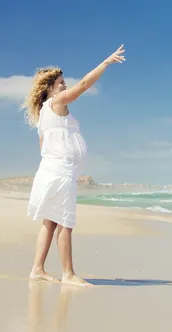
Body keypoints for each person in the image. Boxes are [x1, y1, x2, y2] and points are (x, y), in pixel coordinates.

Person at [21, 44, 126, 286]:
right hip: (60, 172)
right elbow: (83, 86)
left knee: (50, 221)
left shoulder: (45, 115)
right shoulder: (55, 103)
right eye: (60, 82)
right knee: (65, 222)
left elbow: (43, 147)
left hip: (53, 171)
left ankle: (37, 269)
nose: (65, 85)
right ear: (50, 88)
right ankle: (68, 274)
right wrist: (106, 63)